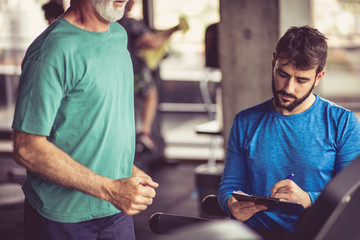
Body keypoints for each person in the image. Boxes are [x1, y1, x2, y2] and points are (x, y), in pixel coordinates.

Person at [12, 0, 159, 239]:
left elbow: (95, 121)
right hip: (63, 218)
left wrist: (123, 168)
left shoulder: (118, 35)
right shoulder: (52, 50)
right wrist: (109, 189)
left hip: (115, 210)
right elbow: (26, 148)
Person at [217, 26, 360, 239]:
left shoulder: (342, 122)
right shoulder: (245, 121)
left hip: (318, 233)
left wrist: (308, 199)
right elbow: (229, 185)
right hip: (256, 232)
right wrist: (230, 203)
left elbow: (353, 198)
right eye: (282, 74)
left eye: (301, 80)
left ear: (319, 76)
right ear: (273, 62)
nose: (289, 88)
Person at [118, 0, 188, 151]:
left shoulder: (111, 23)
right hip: (133, 70)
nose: (134, 2)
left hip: (117, 70)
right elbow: (153, 43)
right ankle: (145, 132)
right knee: (150, 93)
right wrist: (175, 29)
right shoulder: (130, 23)